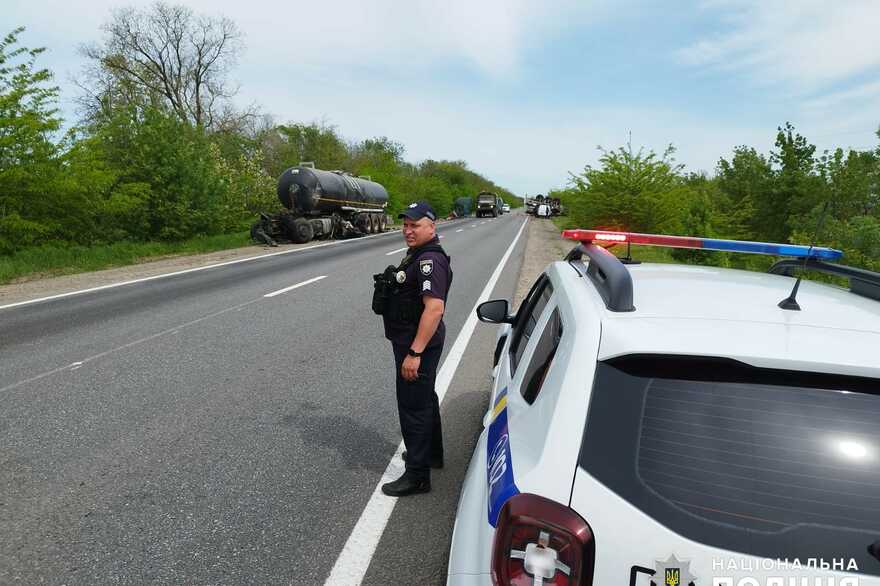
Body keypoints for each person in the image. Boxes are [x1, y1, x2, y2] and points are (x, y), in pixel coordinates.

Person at [377, 201, 452, 497]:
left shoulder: (429, 260)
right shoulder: (418, 254)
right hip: (413, 339)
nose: (408, 230)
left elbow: (434, 309)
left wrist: (415, 353)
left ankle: (418, 476)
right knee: (425, 399)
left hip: (416, 344)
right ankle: (431, 454)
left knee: (413, 407)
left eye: (415, 225)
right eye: (406, 225)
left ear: (432, 227)